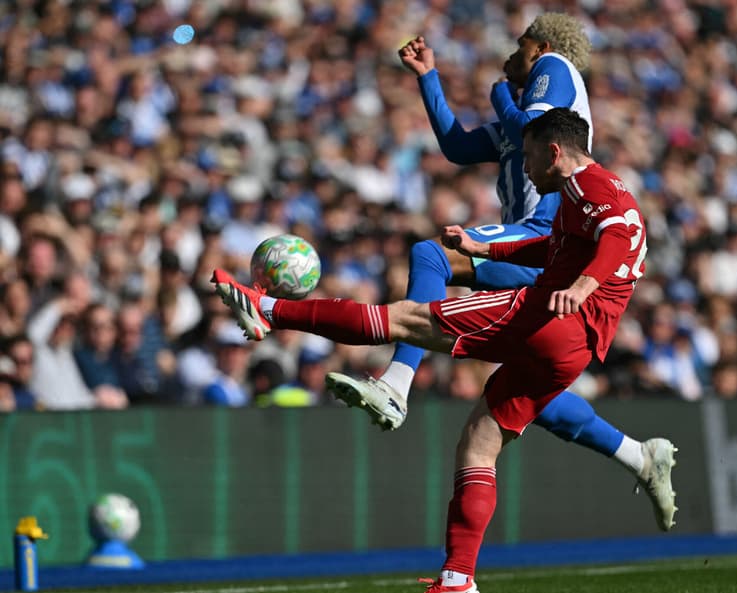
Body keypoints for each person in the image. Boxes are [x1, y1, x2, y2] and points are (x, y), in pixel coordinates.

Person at [212, 109, 677, 593]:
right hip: (577, 346)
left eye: (530, 155)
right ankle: (458, 578)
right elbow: (553, 250)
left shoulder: (588, 185)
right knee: (480, 438)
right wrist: (481, 246)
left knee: (406, 318)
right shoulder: (592, 193)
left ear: (554, 151)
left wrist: (581, 286)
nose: (527, 167)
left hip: (550, 318)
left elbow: (617, 237)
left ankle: (268, 308)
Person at [328, 13, 647, 486]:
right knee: (528, 382)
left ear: (538, 47)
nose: (511, 56)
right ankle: (637, 455)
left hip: (543, 234)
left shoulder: (554, 69)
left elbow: (522, 126)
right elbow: (457, 147)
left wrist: (498, 91)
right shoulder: (525, 121)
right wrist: (428, 78)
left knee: (431, 255)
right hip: (536, 248)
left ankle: (397, 382)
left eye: (519, 46)